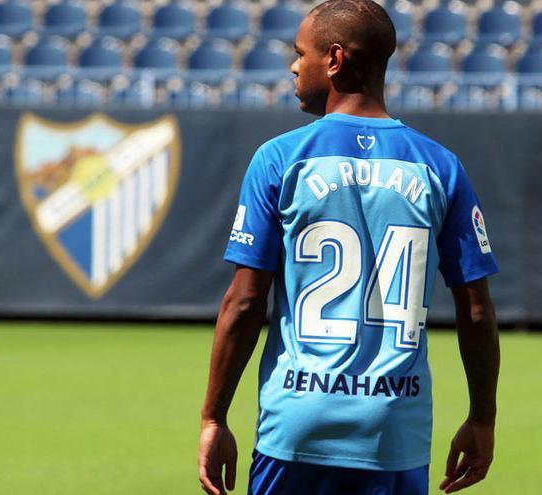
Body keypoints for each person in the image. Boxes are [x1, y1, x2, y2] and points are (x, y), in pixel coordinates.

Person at [198, 0, 500, 493]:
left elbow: (246, 300)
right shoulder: (440, 166)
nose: (295, 66)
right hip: (393, 433)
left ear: (334, 60)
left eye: (302, 53)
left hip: (296, 427)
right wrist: (482, 417)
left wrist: (214, 418)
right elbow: (476, 310)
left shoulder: (280, 159)